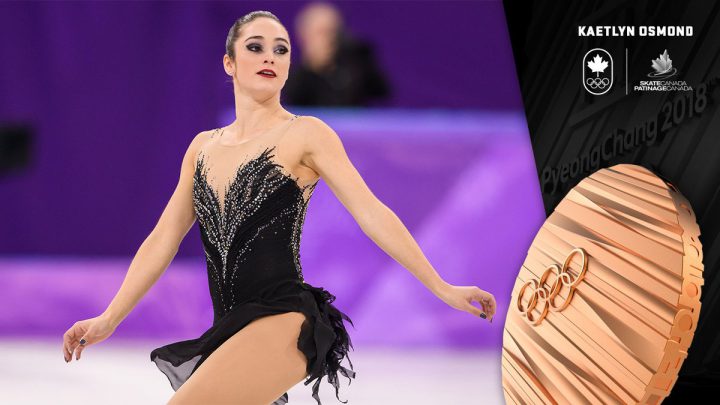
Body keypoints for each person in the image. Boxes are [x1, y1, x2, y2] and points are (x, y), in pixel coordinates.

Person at [61, 10, 497, 405]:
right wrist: (109, 317)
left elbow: (372, 213)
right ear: (229, 63)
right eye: (255, 47)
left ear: (289, 67)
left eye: (281, 49)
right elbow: (163, 239)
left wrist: (441, 286)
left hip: (284, 318)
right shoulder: (202, 148)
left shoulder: (305, 134)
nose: (270, 56)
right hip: (229, 327)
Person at [282, 2, 390, 106]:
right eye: (320, 32)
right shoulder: (295, 73)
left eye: (332, 31)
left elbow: (382, 92)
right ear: (304, 36)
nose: (327, 38)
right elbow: (292, 101)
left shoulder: (357, 60)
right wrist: (311, 67)